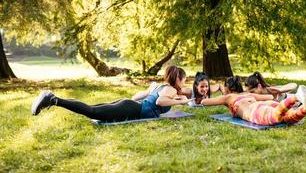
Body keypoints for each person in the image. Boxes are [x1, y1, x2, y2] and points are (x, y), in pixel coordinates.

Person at [31, 65, 193, 121]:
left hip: (130, 104)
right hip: (132, 109)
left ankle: (53, 99)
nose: (184, 83)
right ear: (178, 79)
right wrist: (181, 102)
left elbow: (135, 97)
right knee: (92, 111)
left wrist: (150, 91)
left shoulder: (160, 87)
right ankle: (52, 99)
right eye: (184, 79)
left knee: (91, 108)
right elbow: (160, 102)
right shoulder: (170, 89)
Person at [200, 76, 306, 126]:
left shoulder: (229, 97)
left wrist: (222, 95)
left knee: (274, 118)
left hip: (253, 110)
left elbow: (204, 102)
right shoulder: (248, 94)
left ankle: (297, 97)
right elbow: (270, 98)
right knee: (287, 118)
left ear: (228, 88)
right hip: (264, 104)